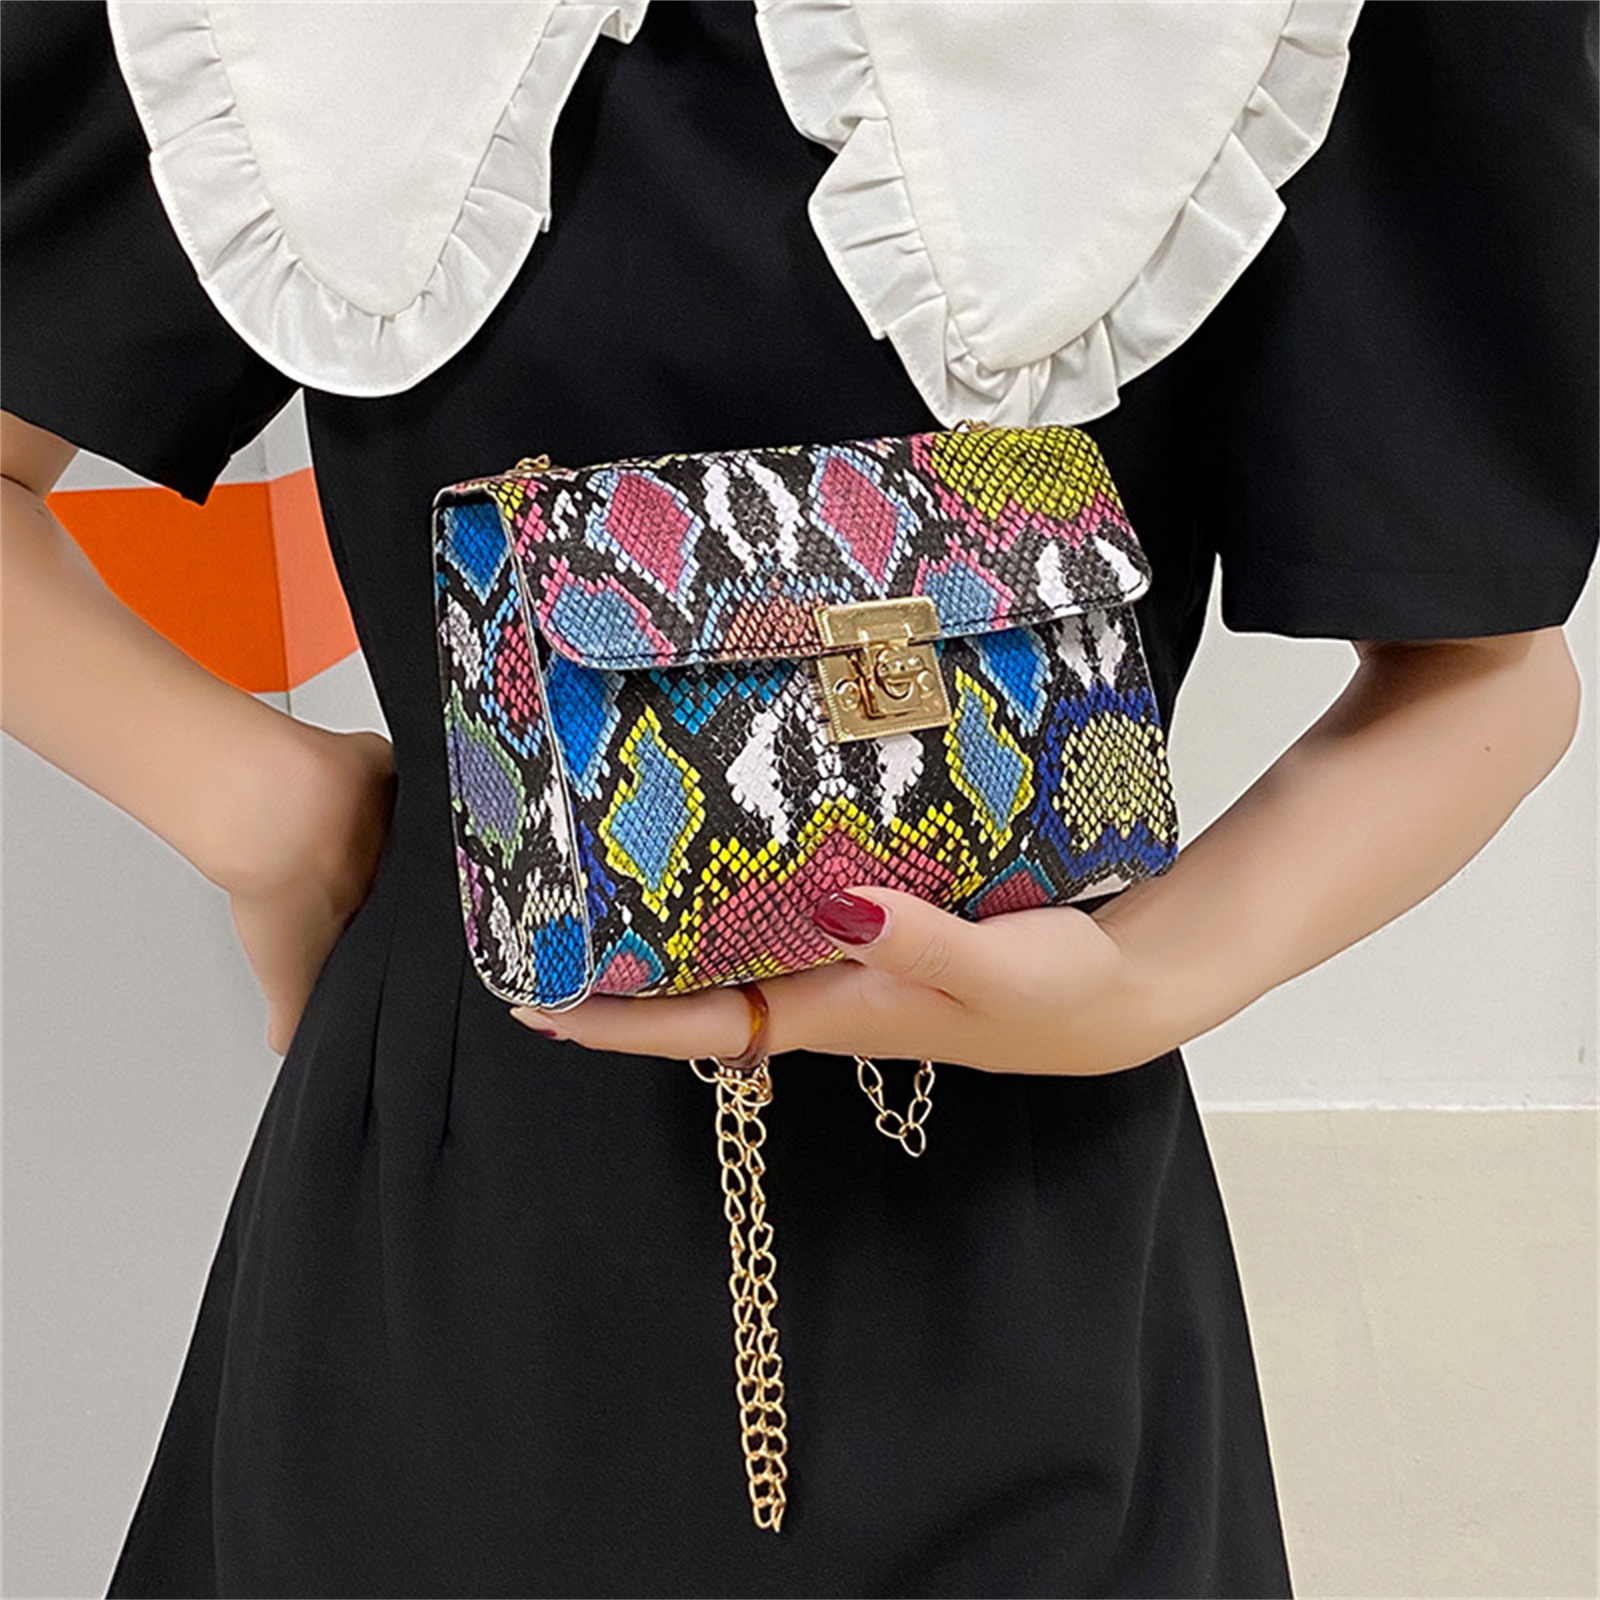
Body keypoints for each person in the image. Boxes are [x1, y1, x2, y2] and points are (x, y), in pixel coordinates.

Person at [2, 2, 1594, 1595]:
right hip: (457, 1256)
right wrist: (252, 801)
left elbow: (1488, 667)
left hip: (1027, 1256)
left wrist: (1146, 981)